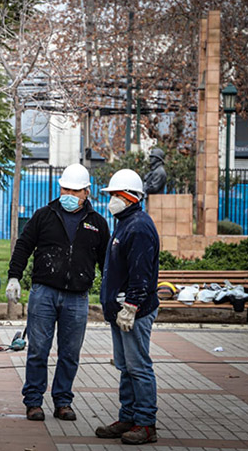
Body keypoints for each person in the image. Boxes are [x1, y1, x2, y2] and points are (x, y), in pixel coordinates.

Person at [5, 164, 110, 422]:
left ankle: (63, 401)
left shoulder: (97, 223)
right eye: (65, 189)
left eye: (75, 190)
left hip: (77, 297)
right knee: (38, 349)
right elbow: (23, 246)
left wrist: (112, 290)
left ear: (87, 192)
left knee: (70, 352)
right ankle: (33, 402)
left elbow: (106, 260)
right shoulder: (44, 216)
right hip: (44, 293)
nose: (69, 194)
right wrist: (14, 276)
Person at [96, 169, 160, 445]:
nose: (110, 200)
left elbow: (141, 273)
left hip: (133, 311)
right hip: (121, 311)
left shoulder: (139, 227)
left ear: (128, 197)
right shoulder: (125, 223)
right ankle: (128, 417)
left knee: (138, 366)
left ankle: (145, 423)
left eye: (113, 195)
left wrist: (131, 305)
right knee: (126, 366)